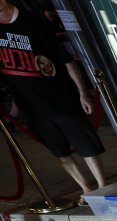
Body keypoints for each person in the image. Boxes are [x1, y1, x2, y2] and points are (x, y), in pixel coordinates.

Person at [0, 0, 106, 204]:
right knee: (60, 151)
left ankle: (102, 186)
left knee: (86, 145)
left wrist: (83, 93)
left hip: (60, 97)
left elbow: (66, 60)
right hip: (32, 107)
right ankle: (85, 188)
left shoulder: (33, 21)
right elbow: (10, 78)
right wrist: (14, 110)